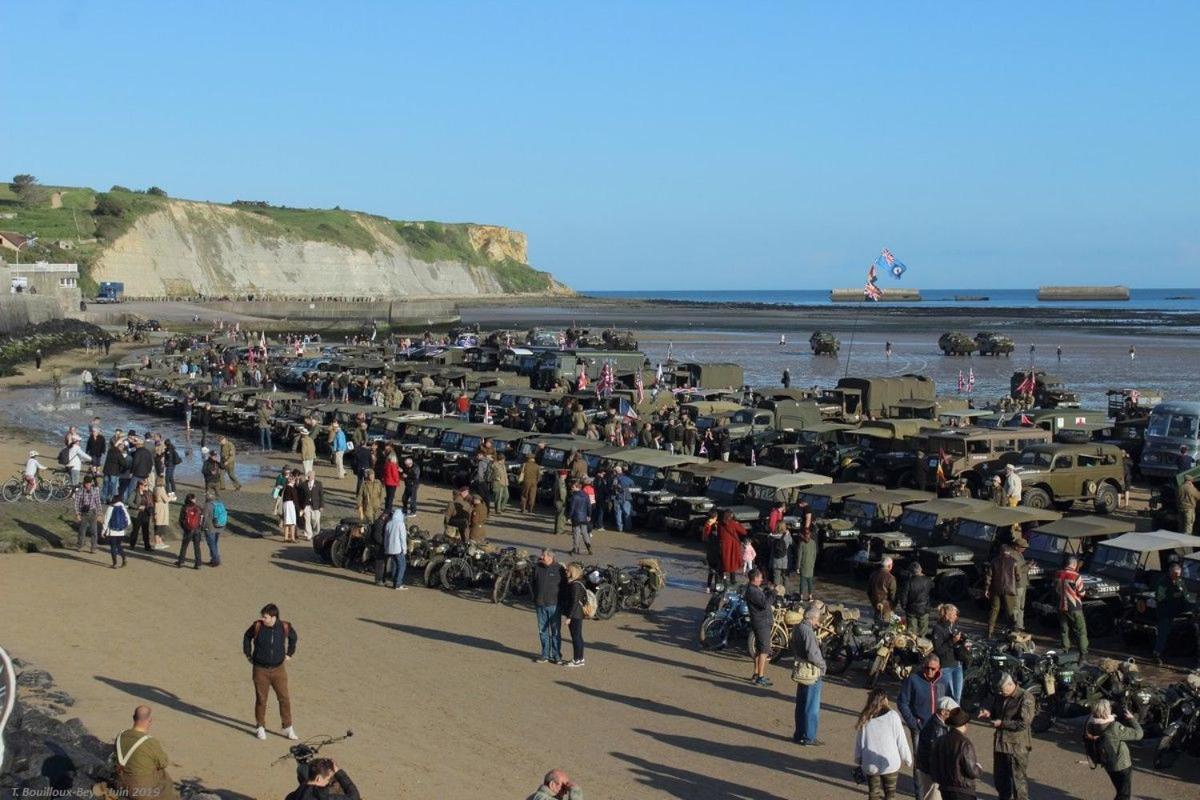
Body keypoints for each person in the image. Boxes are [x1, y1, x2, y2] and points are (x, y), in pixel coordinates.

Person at [243, 602, 298, 741]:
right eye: (262, 616)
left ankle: (287, 727)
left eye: (265, 617)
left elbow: (293, 638)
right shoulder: (257, 626)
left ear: (274, 617)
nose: (262, 619)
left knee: (284, 698)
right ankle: (260, 727)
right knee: (261, 699)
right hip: (260, 669)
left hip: (279, 669)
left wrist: (289, 653)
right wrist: (248, 654)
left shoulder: (284, 627)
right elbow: (247, 637)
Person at [977, 673, 1034, 800]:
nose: (1001, 694)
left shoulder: (1025, 697)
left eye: (1002, 691)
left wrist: (1002, 723)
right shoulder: (1000, 695)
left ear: (1010, 684)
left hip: (1016, 747)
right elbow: (994, 705)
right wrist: (988, 712)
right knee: (1000, 780)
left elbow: (1023, 723)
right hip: (1000, 744)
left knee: (1018, 783)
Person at [853, 688, 912, 800]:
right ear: (885, 699)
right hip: (889, 763)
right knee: (890, 795)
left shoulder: (865, 718)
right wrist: (907, 758)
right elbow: (901, 739)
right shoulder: (893, 716)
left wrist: (858, 758)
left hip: (870, 763)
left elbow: (859, 742)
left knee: (873, 794)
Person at [113, 706, 179, 800]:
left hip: (119, 785)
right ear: (149, 720)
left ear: (133, 717)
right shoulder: (149, 742)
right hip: (140, 792)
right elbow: (163, 763)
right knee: (162, 775)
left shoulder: (120, 736)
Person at [1083, 699, 1142, 800]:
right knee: (1124, 794)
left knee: (1120, 791)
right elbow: (1139, 734)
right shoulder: (1114, 727)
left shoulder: (1090, 724)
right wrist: (1132, 719)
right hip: (1122, 764)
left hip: (1107, 762)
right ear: (1107, 710)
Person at [792, 603, 826, 746]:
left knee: (801, 704)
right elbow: (813, 654)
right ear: (813, 619)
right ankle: (809, 737)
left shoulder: (798, 628)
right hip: (811, 671)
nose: (818, 622)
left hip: (801, 669)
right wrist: (823, 665)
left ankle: (799, 733)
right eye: (818, 619)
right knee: (812, 706)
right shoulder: (808, 632)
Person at [930, 707, 981, 800]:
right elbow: (972, 771)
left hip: (945, 789)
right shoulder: (965, 744)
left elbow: (934, 766)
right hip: (963, 790)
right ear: (965, 725)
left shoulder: (940, 741)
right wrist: (979, 768)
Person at [917, 697, 960, 800]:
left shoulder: (937, 723)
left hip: (930, 771)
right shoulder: (936, 729)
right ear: (944, 712)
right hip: (933, 774)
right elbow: (937, 754)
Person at [532, 550, 565, 664]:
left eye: (544, 555)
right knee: (543, 631)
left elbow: (564, 587)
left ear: (550, 557)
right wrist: (535, 598)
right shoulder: (537, 567)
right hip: (540, 605)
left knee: (556, 632)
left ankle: (557, 656)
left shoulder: (559, 569)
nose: (541, 556)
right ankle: (545, 655)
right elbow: (532, 584)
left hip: (554, 606)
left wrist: (561, 603)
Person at [1153, 561, 1189, 664]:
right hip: (1165, 612)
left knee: (1175, 632)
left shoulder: (1180, 581)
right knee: (1162, 634)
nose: (1177, 576)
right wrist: (1173, 595)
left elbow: (1185, 594)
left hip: (1177, 611)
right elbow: (1159, 597)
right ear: (1170, 572)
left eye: (1179, 574)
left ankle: (1171, 651)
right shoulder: (1163, 582)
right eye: (1175, 574)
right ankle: (1157, 654)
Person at [930, 605, 966, 703]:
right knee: (947, 697)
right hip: (946, 667)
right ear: (947, 615)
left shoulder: (954, 626)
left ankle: (955, 717)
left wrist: (963, 642)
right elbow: (938, 650)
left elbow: (957, 644)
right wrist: (952, 641)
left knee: (957, 697)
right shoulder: (938, 629)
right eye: (954, 614)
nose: (956, 617)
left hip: (958, 665)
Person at [745, 569, 774, 687]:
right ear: (755, 578)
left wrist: (767, 591)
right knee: (764, 651)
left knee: (758, 649)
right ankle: (760, 677)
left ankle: (756, 674)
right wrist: (774, 593)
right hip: (761, 623)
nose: (762, 579)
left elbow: (761, 601)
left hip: (758, 622)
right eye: (760, 577)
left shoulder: (752, 589)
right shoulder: (753, 591)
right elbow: (765, 604)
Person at [986, 542, 1022, 638]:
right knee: (1010, 611)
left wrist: (986, 589)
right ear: (1009, 552)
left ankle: (990, 631)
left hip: (996, 588)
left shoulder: (994, 561)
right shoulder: (1014, 562)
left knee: (994, 610)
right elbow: (1018, 576)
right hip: (1010, 589)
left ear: (1000, 552)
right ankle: (1011, 632)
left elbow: (989, 576)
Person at [1055, 556, 1089, 659]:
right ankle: (1083, 654)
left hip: (1061, 606)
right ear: (1074, 564)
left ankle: (1065, 651)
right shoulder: (1076, 576)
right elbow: (1082, 593)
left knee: (1064, 630)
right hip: (1074, 608)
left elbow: (1056, 590)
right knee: (1081, 631)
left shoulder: (1058, 574)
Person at [285, 757, 360, 800]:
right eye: (327, 779)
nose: (328, 783)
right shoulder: (321, 796)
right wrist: (339, 772)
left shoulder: (295, 794)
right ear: (318, 778)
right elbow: (354, 797)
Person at [563, 563, 587, 667]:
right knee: (578, 637)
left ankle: (577, 659)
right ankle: (580, 658)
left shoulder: (575, 585)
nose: (566, 572)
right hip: (578, 614)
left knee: (576, 637)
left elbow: (574, 602)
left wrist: (569, 617)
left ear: (573, 572)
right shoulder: (580, 582)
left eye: (568, 571)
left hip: (575, 614)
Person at [899, 563, 933, 636]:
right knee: (923, 631)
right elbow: (932, 592)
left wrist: (904, 606)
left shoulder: (908, 582)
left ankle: (912, 645)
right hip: (924, 609)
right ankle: (922, 643)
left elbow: (903, 596)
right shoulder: (928, 580)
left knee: (911, 633)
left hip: (911, 609)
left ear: (911, 572)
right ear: (921, 570)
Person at [717, 509, 748, 584]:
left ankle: (721, 579)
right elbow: (744, 531)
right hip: (733, 545)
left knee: (724, 561)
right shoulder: (733, 523)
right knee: (732, 561)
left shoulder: (720, 524)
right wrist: (738, 523)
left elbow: (719, 534)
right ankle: (732, 580)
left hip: (724, 545)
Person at [74, 474, 103, 553]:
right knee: (81, 531)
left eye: (89, 483)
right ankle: (80, 545)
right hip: (83, 513)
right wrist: (77, 514)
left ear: (91, 483)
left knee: (94, 531)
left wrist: (100, 513)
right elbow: (76, 503)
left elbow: (98, 502)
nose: (88, 485)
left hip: (93, 512)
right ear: (84, 483)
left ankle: (93, 547)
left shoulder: (95, 491)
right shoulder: (80, 491)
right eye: (86, 483)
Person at [176, 493, 204, 569]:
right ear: (192, 499)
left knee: (184, 546)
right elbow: (202, 519)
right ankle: (198, 564)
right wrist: (200, 527)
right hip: (197, 530)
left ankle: (181, 562)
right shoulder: (198, 507)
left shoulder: (184, 507)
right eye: (194, 498)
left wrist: (185, 528)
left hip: (188, 530)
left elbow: (181, 520)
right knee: (197, 547)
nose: (196, 499)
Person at [102, 496, 130, 568]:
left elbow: (106, 520)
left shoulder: (110, 508)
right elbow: (128, 521)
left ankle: (115, 563)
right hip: (121, 531)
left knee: (113, 547)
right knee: (119, 545)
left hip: (112, 531)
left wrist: (103, 530)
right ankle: (124, 557)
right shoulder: (123, 508)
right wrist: (124, 527)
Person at [383, 507, 408, 590]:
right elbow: (402, 538)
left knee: (395, 565)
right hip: (398, 549)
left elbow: (386, 537)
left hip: (390, 549)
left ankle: (395, 582)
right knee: (402, 566)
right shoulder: (401, 524)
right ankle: (398, 584)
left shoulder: (389, 523)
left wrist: (386, 548)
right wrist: (404, 549)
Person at [766, 508, 791, 586]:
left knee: (776, 577)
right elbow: (791, 543)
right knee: (785, 578)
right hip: (785, 560)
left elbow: (769, 545)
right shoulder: (787, 537)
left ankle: (777, 595)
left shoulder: (771, 537)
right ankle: (786, 593)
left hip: (775, 560)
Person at [869, 557, 898, 623]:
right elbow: (893, 595)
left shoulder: (873, 575)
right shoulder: (891, 578)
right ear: (890, 566)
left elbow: (869, 592)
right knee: (886, 629)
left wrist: (874, 602)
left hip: (876, 606)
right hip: (887, 608)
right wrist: (893, 607)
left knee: (876, 627)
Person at [567, 480, 592, 555]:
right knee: (585, 533)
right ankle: (589, 547)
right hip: (584, 517)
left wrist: (569, 517)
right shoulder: (585, 495)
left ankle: (575, 548)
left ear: (576, 487)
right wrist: (589, 515)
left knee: (576, 533)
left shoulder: (574, 496)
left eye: (572, 487)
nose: (571, 488)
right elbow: (589, 506)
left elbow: (572, 508)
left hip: (576, 517)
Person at [701, 509, 722, 592]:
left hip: (710, 555)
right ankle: (717, 587)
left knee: (710, 571)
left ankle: (708, 587)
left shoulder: (707, 524)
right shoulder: (715, 528)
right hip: (716, 555)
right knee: (717, 572)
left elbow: (704, 537)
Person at [203, 490, 225, 567]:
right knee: (215, 544)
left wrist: (203, 527)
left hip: (210, 528)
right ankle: (215, 559)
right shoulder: (220, 503)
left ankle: (215, 560)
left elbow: (204, 518)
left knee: (212, 544)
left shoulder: (207, 505)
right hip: (219, 527)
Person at [611, 466, 634, 532]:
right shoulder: (629, 479)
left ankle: (619, 528)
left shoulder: (616, 479)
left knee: (618, 513)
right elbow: (633, 488)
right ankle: (628, 528)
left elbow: (613, 488)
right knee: (627, 513)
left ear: (616, 472)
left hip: (617, 498)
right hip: (627, 498)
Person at [303, 471, 324, 540]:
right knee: (307, 520)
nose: (309, 477)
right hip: (306, 505)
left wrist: (321, 506)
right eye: (308, 476)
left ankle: (316, 532)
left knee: (316, 519)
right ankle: (309, 535)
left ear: (314, 476)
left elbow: (321, 496)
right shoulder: (304, 484)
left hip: (316, 505)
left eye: (311, 476)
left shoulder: (318, 484)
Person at [281, 472, 300, 542]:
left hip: (285, 504)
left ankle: (286, 538)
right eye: (294, 480)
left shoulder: (286, 488)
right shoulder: (292, 488)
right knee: (292, 522)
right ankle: (292, 538)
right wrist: (299, 509)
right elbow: (295, 500)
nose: (294, 481)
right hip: (290, 505)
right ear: (291, 480)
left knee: (286, 522)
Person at [553, 470, 568, 535]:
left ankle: (557, 530)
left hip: (557, 500)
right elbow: (562, 492)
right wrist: (564, 500)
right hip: (560, 501)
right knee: (561, 516)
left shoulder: (558, 480)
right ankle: (559, 530)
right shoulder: (561, 481)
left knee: (558, 515)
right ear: (564, 475)